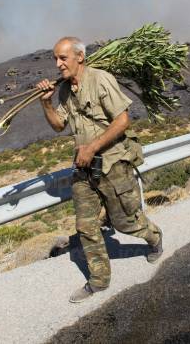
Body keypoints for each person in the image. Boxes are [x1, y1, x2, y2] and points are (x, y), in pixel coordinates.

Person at [36, 36, 163, 303]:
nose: (58, 64)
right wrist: (46, 102)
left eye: (63, 58)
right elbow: (59, 125)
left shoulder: (101, 79)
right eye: (55, 59)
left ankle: (153, 238)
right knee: (85, 226)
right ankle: (99, 280)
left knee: (124, 221)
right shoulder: (64, 90)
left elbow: (123, 119)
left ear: (79, 57)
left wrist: (92, 147)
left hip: (113, 163)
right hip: (84, 168)